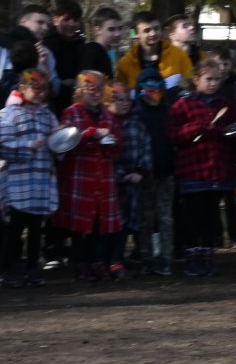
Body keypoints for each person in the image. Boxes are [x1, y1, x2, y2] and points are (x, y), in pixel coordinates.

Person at [166, 59, 236, 278]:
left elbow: (232, 131)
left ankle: (208, 257)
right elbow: (174, 135)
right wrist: (199, 127)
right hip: (193, 170)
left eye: (217, 79)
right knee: (193, 217)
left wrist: (231, 133)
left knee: (211, 217)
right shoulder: (183, 105)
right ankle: (193, 258)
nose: (213, 83)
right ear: (196, 79)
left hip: (217, 170)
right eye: (208, 79)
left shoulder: (224, 104)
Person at [52, 70, 122, 281]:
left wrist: (112, 143)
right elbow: (64, 144)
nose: (95, 93)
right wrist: (92, 134)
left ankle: (97, 262)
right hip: (81, 178)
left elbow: (119, 145)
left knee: (99, 226)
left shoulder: (109, 115)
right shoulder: (71, 113)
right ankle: (80, 264)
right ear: (81, 90)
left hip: (103, 178)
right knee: (80, 226)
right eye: (90, 89)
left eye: (99, 89)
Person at [0, 70, 59, 287]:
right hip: (18, 183)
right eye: (36, 88)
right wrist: (27, 147)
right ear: (23, 88)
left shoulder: (47, 115)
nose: (40, 93)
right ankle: (6, 269)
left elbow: (58, 144)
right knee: (14, 229)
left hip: (41, 180)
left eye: (44, 89)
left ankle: (33, 269)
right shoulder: (9, 114)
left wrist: (59, 140)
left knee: (36, 229)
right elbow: (2, 146)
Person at [130, 70, 175, 275]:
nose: (154, 93)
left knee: (165, 217)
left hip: (166, 173)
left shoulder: (168, 112)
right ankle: (146, 256)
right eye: (149, 89)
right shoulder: (137, 114)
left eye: (158, 88)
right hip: (145, 174)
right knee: (146, 218)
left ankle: (165, 256)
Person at [109, 81, 148, 278]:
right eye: (117, 99)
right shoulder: (106, 123)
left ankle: (120, 257)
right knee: (112, 222)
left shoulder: (137, 124)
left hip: (132, 180)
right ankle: (112, 259)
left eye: (125, 99)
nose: (122, 103)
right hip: (111, 181)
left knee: (128, 222)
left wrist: (141, 171)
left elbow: (145, 149)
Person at [115, 11, 192, 92]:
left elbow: (189, 84)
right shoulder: (126, 63)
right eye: (147, 30)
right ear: (137, 34)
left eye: (156, 28)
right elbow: (120, 92)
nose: (153, 33)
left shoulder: (178, 55)